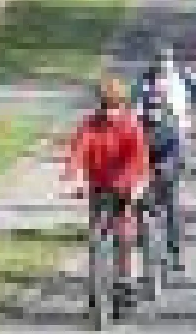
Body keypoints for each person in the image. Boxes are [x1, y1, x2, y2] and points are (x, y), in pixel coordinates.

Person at [64, 75, 150, 311]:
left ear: (123, 105)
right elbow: (77, 150)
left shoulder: (131, 125)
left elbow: (138, 158)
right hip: (99, 184)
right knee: (96, 234)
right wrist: (74, 177)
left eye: (115, 106)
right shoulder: (90, 124)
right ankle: (96, 285)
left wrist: (129, 184)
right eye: (106, 105)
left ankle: (127, 279)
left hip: (127, 183)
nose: (110, 111)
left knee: (125, 233)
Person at [131, 46, 196, 275]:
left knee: (165, 198)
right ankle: (159, 249)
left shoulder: (171, 80)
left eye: (165, 63)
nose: (163, 69)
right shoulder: (147, 84)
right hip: (153, 147)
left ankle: (172, 251)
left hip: (168, 147)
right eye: (161, 64)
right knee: (157, 200)